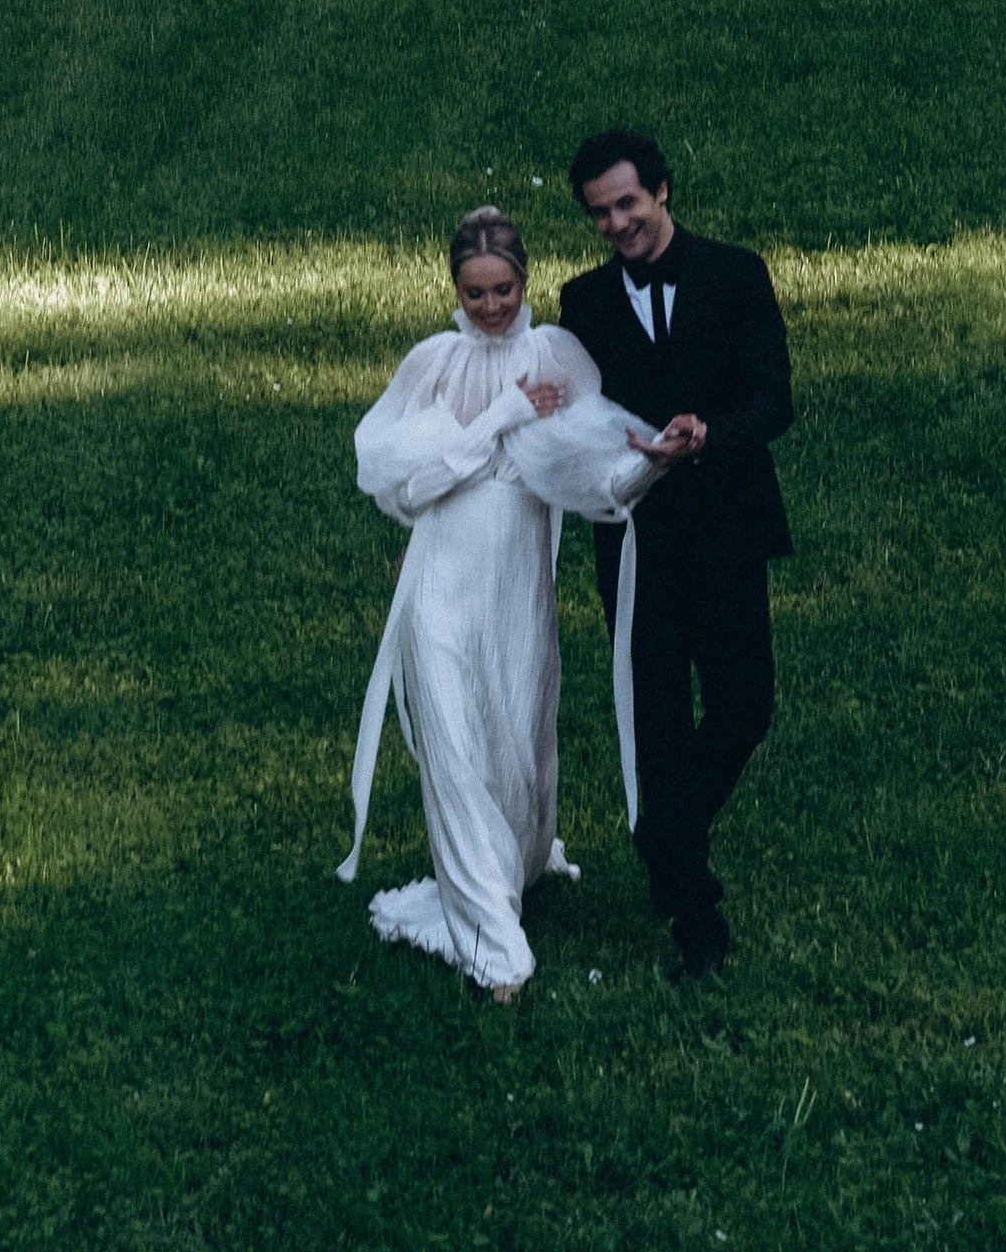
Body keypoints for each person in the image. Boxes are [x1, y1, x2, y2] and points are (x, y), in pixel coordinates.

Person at [340, 205, 655, 998]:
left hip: (516, 585)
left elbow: (591, 467)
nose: (490, 307)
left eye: (504, 289)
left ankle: (514, 865)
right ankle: (490, 940)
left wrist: (654, 461)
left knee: (516, 735)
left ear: (525, 280)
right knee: (454, 745)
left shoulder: (557, 356)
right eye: (475, 292)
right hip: (440, 581)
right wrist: (505, 417)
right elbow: (405, 484)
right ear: (455, 287)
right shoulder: (433, 364)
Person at [560, 130, 794, 979]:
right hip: (636, 543)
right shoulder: (581, 303)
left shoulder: (737, 274)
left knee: (745, 706)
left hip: (729, 526)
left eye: (627, 203)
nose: (617, 223)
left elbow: (775, 397)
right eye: (599, 213)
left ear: (662, 190)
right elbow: (576, 417)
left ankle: (665, 831)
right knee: (657, 722)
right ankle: (694, 917)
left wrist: (710, 435)